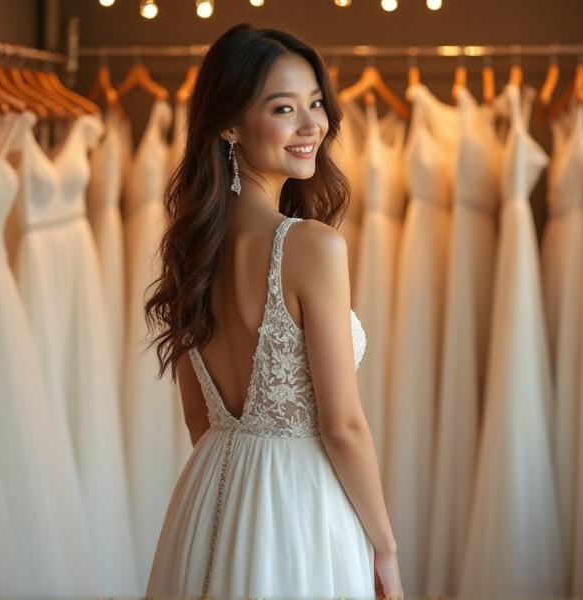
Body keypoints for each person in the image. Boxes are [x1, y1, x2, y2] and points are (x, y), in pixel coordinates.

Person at [144, 23, 403, 599]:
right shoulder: (312, 246)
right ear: (230, 125)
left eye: (316, 103)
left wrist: (238, 501)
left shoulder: (191, 250)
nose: (313, 125)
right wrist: (383, 549)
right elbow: (343, 426)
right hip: (302, 506)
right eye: (285, 108)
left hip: (210, 497)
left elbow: (199, 420)